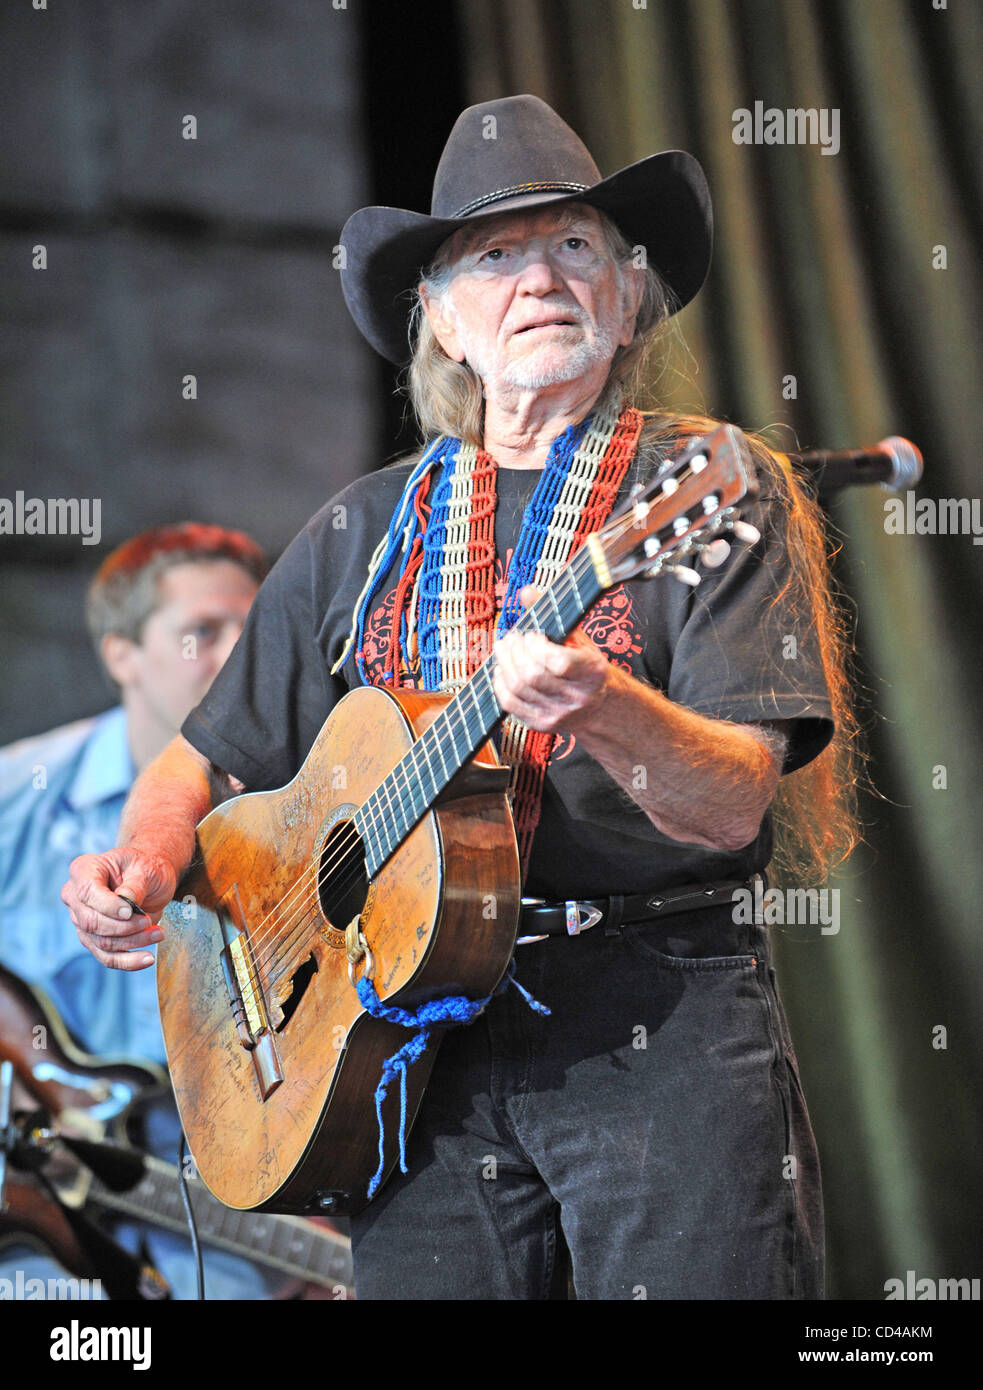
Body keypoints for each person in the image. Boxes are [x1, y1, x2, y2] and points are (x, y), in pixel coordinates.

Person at [62, 96, 859, 1300]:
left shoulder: (705, 486)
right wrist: (142, 859)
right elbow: (204, 759)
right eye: (495, 253)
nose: (541, 275)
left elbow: (730, 807)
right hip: (405, 1061)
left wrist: (602, 705)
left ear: (627, 294)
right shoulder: (362, 530)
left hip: (656, 1026)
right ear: (437, 315)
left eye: (575, 245)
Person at [0, 521, 281, 1298]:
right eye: (202, 631)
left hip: (231, 1226)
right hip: (28, 1218)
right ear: (120, 653)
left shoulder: (299, 806)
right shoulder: (13, 799)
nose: (235, 658)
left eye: (250, 631)